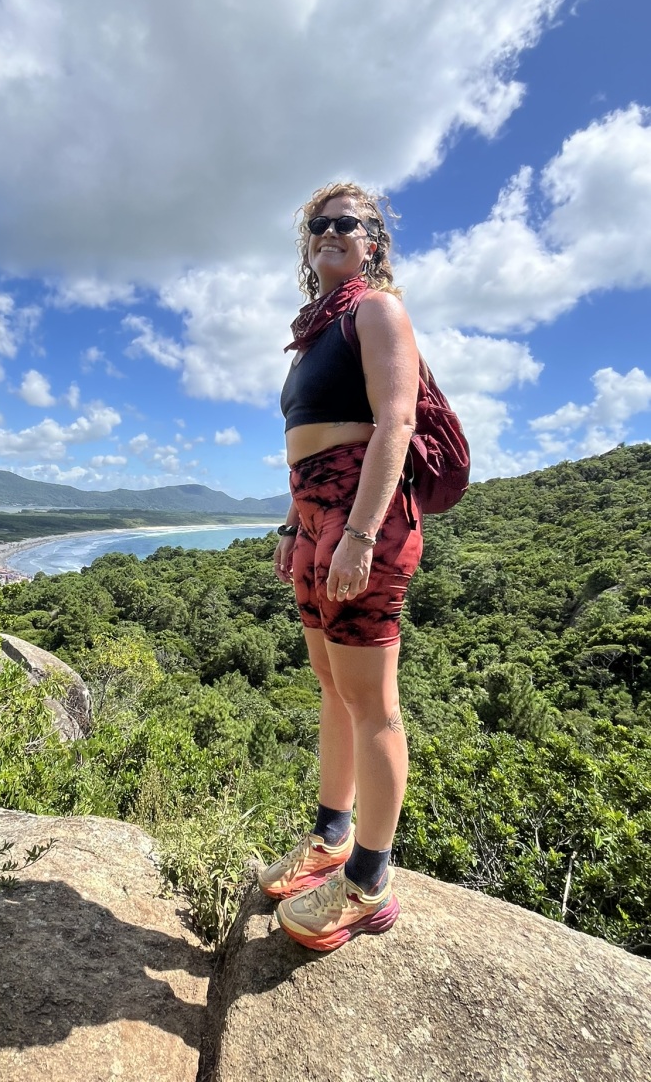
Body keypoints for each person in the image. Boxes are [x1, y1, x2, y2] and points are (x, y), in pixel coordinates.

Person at [259, 181, 422, 951]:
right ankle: (331, 837)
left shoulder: (376, 311)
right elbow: (307, 441)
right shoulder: (314, 332)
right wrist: (296, 523)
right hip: (316, 514)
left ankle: (368, 882)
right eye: (318, 223)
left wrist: (359, 533)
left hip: (364, 516)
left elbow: (395, 422)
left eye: (346, 223)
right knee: (332, 686)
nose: (329, 231)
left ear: (372, 242)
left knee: (372, 703)